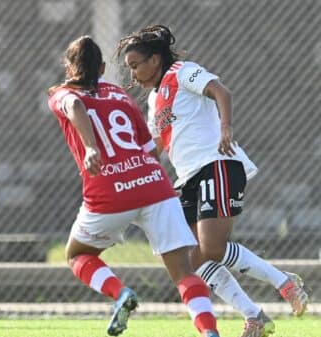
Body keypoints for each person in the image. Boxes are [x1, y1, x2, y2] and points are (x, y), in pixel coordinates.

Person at [115, 24, 309, 337]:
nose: (133, 74)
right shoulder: (154, 101)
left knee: (212, 247)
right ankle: (255, 316)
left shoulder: (183, 72)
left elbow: (221, 91)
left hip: (215, 164)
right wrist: (132, 169)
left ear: (154, 59)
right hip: (188, 178)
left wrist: (226, 128)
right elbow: (159, 145)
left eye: (136, 65)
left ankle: (284, 282)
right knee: (192, 259)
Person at [48, 36, 220, 337]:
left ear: (68, 67)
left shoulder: (61, 93)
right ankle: (209, 333)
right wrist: (143, 175)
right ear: (101, 68)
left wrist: (90, 148)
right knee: (183, 272)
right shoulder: (120, 95)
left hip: (108, 191)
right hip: (155, 185)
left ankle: (121, 294)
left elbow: (74, 104)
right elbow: (148, 148)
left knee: (77, 255)